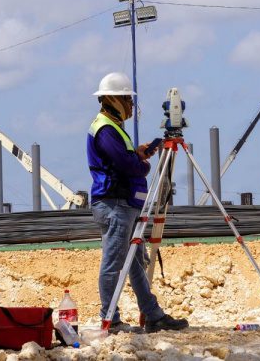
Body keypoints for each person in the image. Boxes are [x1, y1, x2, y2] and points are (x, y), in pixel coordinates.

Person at [87, 72, 189, 334]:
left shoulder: (113, 128)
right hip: (115, 204)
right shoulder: (106, 129)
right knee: (113, 263)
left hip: (125, 203)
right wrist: (141, 164)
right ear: (113, 99)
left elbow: (123, 158)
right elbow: (126, 166)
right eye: (128, 100)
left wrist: (137, 152)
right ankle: (111, 319)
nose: (131, 107)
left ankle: (153, 315)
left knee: (135, 263)